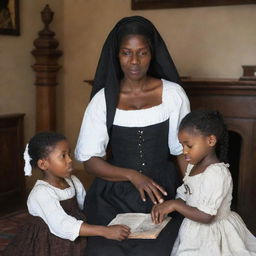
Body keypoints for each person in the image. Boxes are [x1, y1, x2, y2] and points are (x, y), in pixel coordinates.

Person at [75, 16, 190, 255]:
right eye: (126, 53)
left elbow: (183, 152)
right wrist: (132, 175)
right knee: (103, 249)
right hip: (114, 192)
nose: (134, 61)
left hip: (162, 191)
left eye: (142, 53)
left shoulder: (173, 94)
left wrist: (192, 192)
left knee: (159, 248)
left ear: (152, 54)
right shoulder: (102, 100)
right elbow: (90, 162)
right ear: (117, 56)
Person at [3, 131, 130, 256]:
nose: (69, 160)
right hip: (50, 241)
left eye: (69, 154)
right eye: (63, 156)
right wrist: (104, 231)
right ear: (43, 164)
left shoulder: (73, 181)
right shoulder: (41, 193)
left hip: (74, 235)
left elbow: (86, 207)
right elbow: (62, 225)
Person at [151, 109, 256, 255]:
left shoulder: (216, 173)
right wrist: (168, 205)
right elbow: (185, 193)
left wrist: (174, 205)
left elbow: (206, 217)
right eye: (182, 145)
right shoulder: (192, 167)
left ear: (210, 141)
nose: (184, 151)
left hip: (211, 234)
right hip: (193, 231)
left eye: (189, 146)